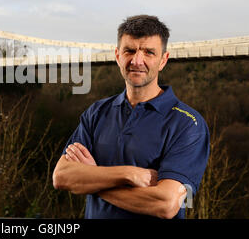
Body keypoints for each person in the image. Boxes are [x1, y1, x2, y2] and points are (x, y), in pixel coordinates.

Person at [52, 15, 210, 219]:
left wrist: (94, 179)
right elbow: (62, 176)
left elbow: (166, 204)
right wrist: (128, 174)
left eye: (149, 52)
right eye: (130, 51)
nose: (137, 61)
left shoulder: (188, 124)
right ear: (118, 56)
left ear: (163, 60)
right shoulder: (97, 112)